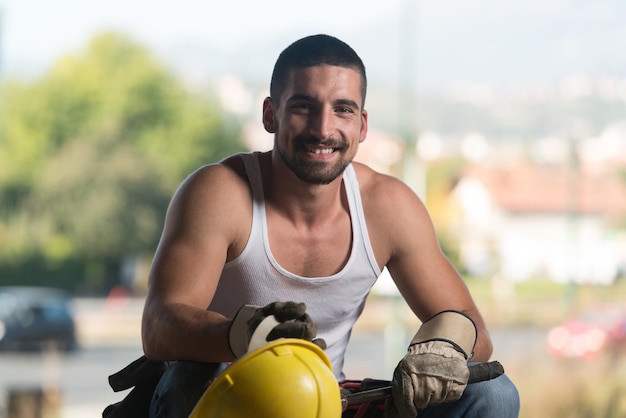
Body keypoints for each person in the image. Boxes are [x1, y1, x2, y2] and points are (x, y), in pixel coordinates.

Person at [106, 34, 520, 418]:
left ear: (361, 126)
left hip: (325, 401)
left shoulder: (388, 206)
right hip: (225, 396)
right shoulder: (219, 193)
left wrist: (445, 346)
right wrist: (240, 335)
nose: (324, 128)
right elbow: (158, 326)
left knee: (494, 394)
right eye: (304, 106)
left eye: (343, 109)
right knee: (191, 375)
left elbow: (474, 328)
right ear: (271, 114)